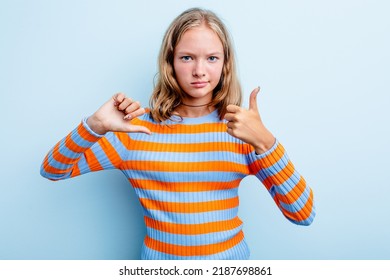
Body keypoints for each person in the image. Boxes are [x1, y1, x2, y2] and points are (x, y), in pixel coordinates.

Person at [40, 7, 315, 260]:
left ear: (225, 64)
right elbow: (52, 170)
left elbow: (303, 214)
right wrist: (95, 126)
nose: (199, 71)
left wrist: (266, 142)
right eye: (187, 57)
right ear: (170, 62)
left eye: (211, 58)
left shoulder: (241, 130)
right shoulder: (134, 129)